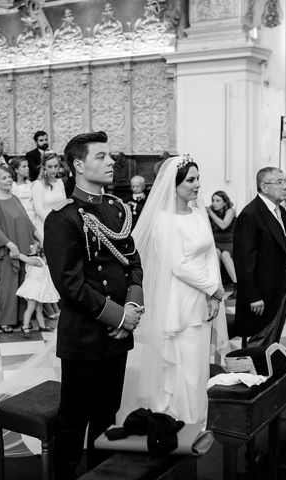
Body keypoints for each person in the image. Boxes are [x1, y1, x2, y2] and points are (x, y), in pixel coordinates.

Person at [43, 131, 144, 479]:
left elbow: (134, 264)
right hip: (86, 335)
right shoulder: (63, 217)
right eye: (101, 156)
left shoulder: (116, 209)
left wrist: (131, 312)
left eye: (110, 156)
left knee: (107, 417)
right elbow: (70, 285)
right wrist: (117, 316)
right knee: (74, 422)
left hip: (118, 334)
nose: (111, 161)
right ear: (78, 165)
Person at [118, 156, 228, 427]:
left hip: (201, 297)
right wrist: (212, 288)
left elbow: (210, 255)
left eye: (198, 178)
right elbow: (178, 265)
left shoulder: (199, 212)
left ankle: (198, 418)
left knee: (198, 363)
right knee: (181, 364)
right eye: (191, 180)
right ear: (175, 184)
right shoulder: (163, 220)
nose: (197, 185)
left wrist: (213, 294)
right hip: (179, 299)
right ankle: (178, 419)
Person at [233, 167, 286, 348]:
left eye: (284, 181)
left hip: (281, 285)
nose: (285, 186)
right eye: (279, 182)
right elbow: (244, 260)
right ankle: (253, 375)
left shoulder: (280, 211)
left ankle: (267, 373)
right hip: (263, 291)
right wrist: (253, 296)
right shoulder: (250, 215)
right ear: (264, 186)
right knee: (260, 338)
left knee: (273, 338)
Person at [0, 167, 42, 333]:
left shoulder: (14, 198)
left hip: (23, 245)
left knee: (24, 283)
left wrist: (38, 237)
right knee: (8, 286)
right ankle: (6, 320)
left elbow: (26, 220)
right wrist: (10, 244)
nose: (9, 180)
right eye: (4, 178)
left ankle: (22, 318)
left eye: (10, 177)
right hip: (8, 250)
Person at [16, 246, 59, 338]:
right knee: (31, 308)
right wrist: (18, 255)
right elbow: (28, 260)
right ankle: (25, 326)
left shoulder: (40, 260)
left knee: (39, 308)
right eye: (30, 246)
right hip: (33, 289)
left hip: (40, 288)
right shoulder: (35, 260)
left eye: (34, 246)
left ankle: (42, 326)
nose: (32, 247)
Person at [207, 190, 238, 296]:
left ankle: (237, 286)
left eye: (218, 200)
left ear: (225, 202)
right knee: (215, 252)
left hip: (229, 243)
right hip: (216, 243)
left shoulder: (230, 211)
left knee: (225, 255)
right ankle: (217, 285)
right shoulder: (211, 211)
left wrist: (210, 213)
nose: (214, 203)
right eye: (213, 200)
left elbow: (223, 225)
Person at [31, 151, 66, 237]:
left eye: (56, 166)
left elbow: (64, 204)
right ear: (44, 167)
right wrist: (53, 224)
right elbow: (39, 210)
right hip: (46, 226)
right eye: (49, 167)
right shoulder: (38, 185)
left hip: (62, 225)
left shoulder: (60, 182)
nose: (53, 170)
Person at [10, 158, 35, 224]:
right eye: (24, 166)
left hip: (32, 217)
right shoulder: (11, 185)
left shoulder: (30, 183)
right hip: (18, 218)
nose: (27, 168)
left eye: (27, 166)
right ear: (16, 170)